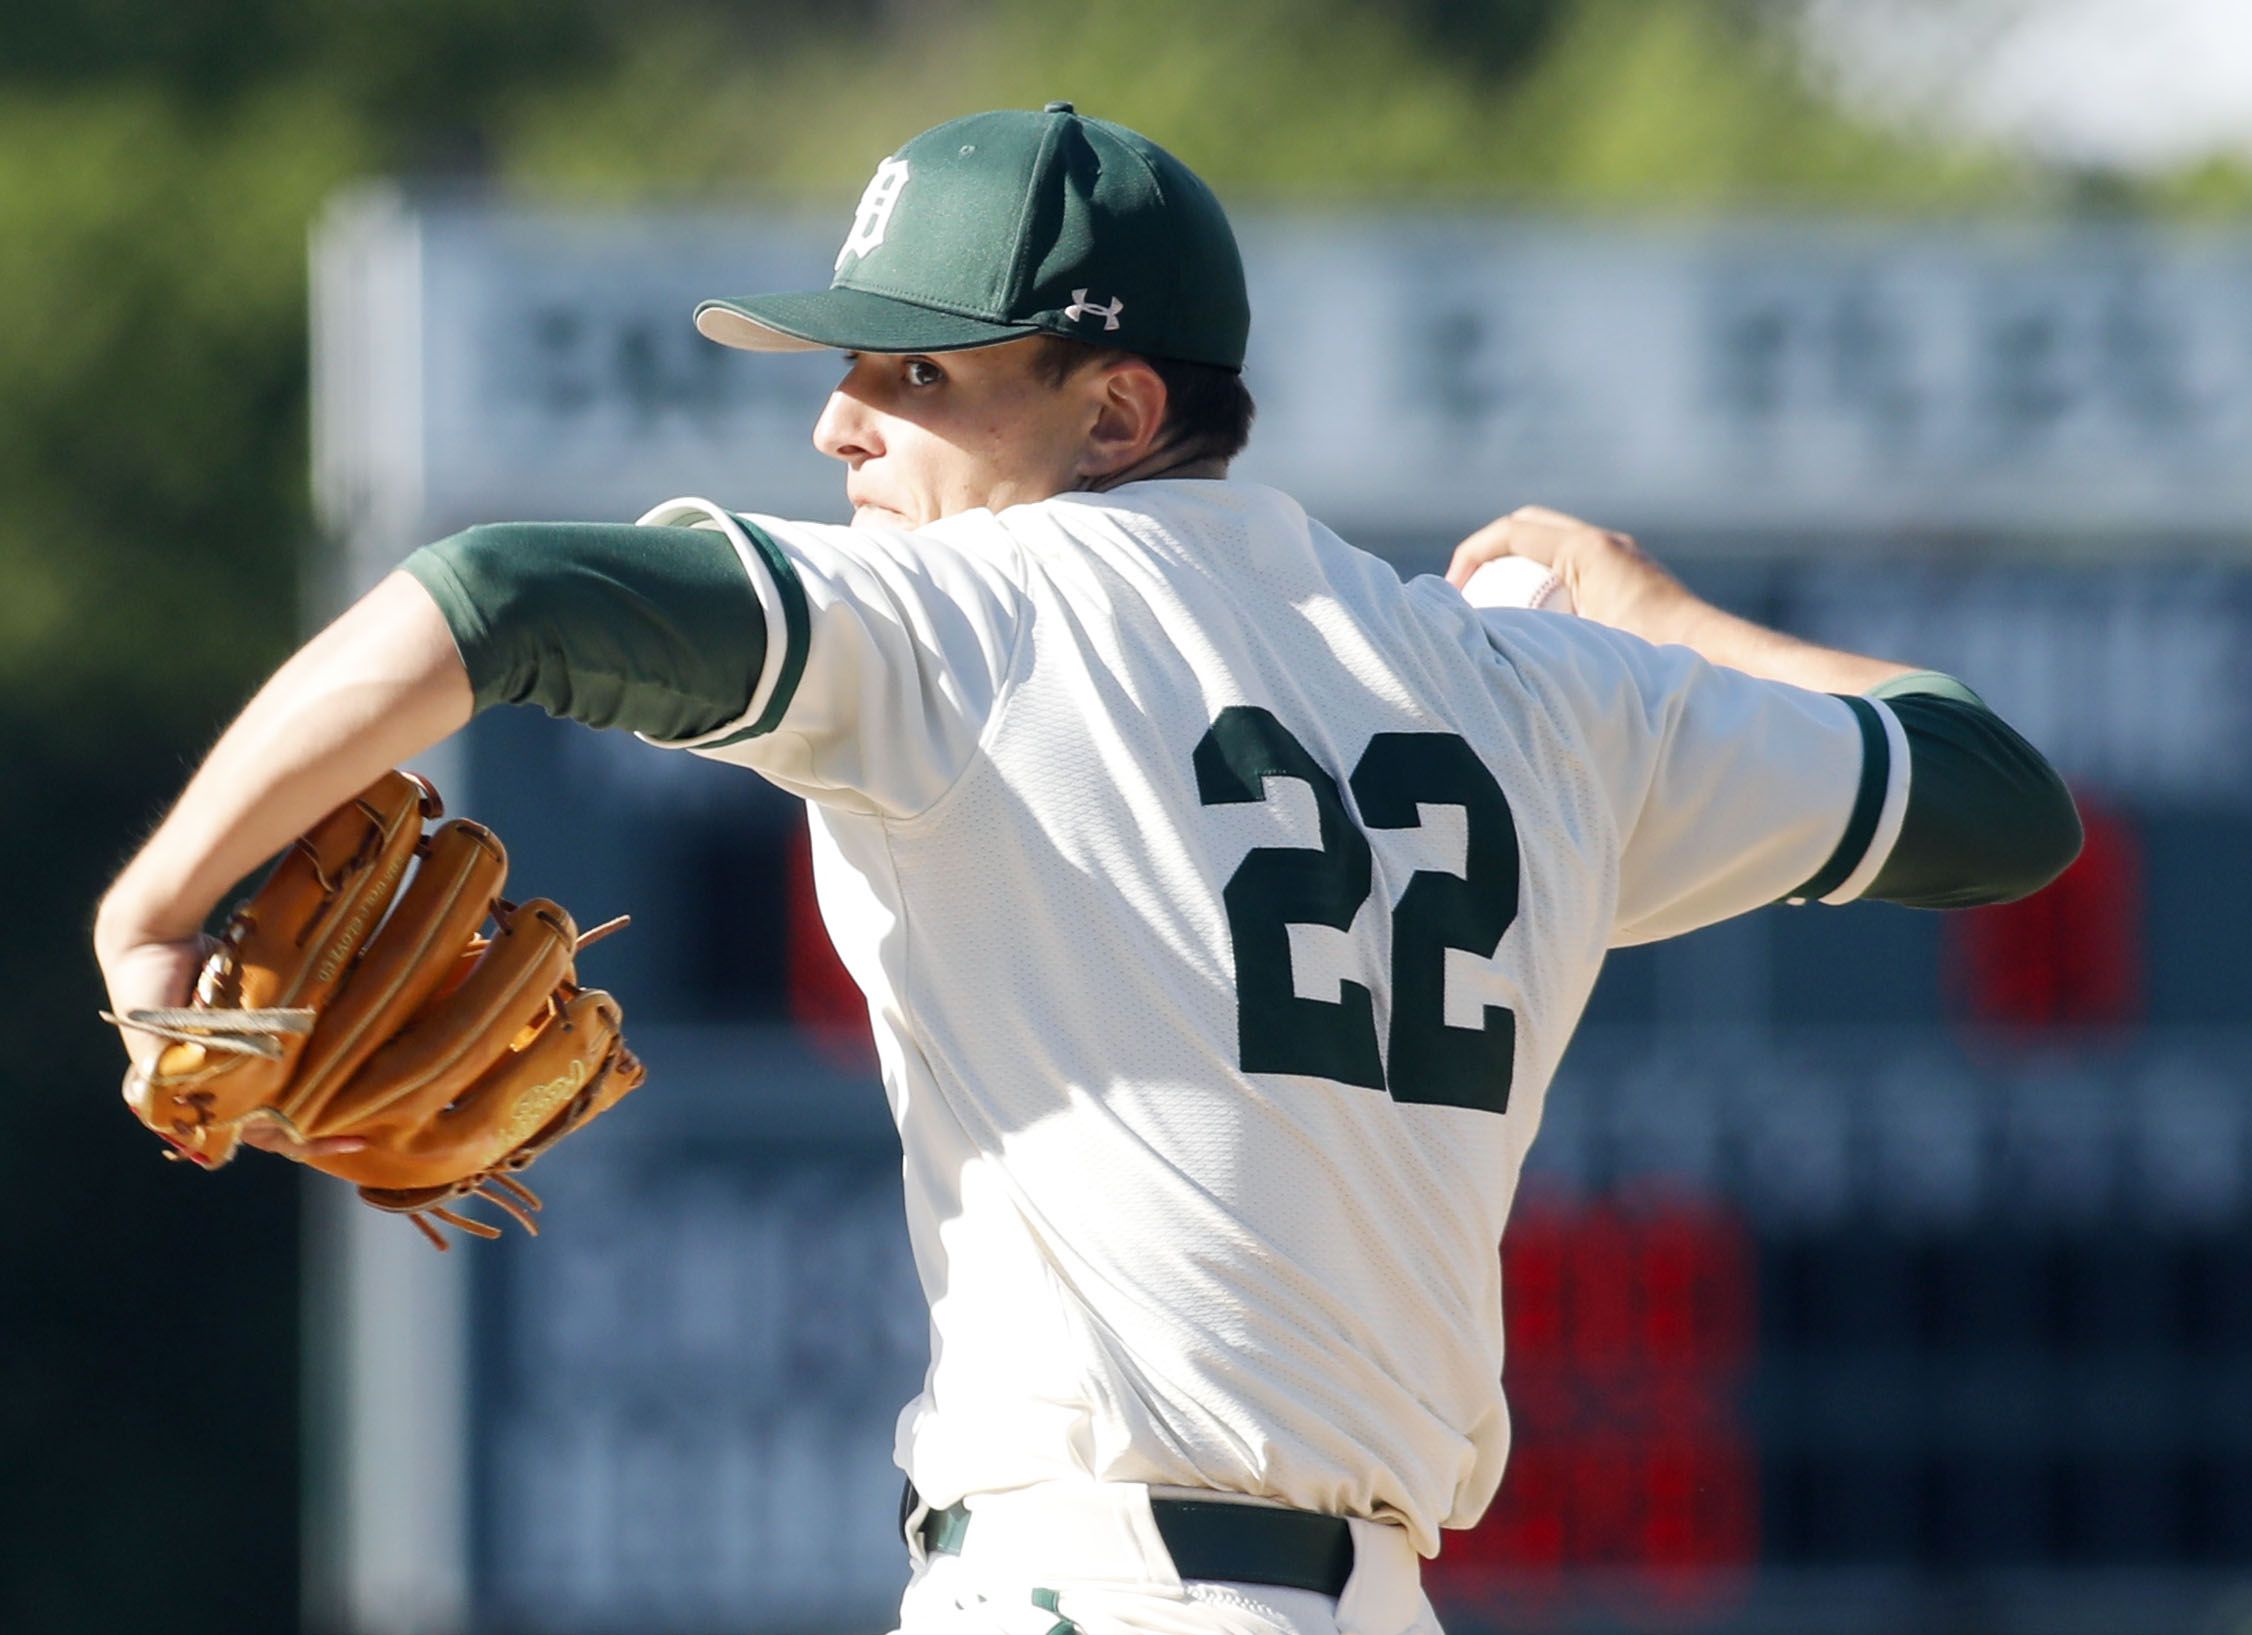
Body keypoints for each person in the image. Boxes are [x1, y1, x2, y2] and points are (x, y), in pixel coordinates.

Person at [94, 103, 2080, 1635]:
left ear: (1116, 410)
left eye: (913, 377)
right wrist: (1667, 616)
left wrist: (161, 899)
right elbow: (1992, 799)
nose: (838, 420)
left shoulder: (974, 619)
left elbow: (491, 591)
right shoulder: (1543, 694)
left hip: (1084, 1585)